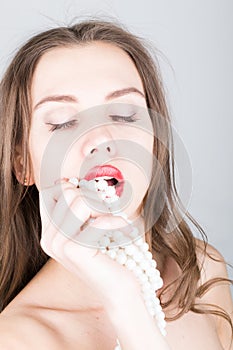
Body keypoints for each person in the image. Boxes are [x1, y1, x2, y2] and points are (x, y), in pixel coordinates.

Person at [0, 18, 232, 350]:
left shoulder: (203, 272)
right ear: (24, 165)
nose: (100, 138)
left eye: (124, 115)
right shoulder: (16, 339)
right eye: (63, 122)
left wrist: (131, 304)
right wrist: (123, 300)